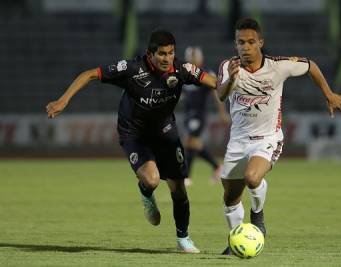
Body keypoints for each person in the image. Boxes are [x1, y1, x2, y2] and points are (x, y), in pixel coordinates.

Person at [46, 29, 218, 253]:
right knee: (153, 180)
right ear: (150, 54)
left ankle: (183, 239)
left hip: (165, 131)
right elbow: (89, 74)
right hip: (134, 134)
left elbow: (213, 82)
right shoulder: (132, 69)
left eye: (171, 53)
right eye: (162, 54)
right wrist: (63, 101)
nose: (167, 59)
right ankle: (146, 193)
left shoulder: (182, 69)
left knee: (178, 190)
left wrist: (234, 81)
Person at [216, 18, 341, 255]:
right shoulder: (227, 66)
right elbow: (220, 94)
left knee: (252, 177)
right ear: (235, 44)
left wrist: (329, 94)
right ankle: (236, 240)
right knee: (230, 198)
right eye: (241, 42)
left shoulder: (278, 66)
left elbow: (310, 65)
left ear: (260, 42)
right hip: (237, 141)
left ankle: (257, 217)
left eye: (250, 42)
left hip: (267, 138)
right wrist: (231, 78)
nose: (245, 47)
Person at [182, 46, 229, 186]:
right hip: (188, 113)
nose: (192, 59)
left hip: (199, 113)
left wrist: (222, 112)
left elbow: (216, 92)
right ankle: (216, 167)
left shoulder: (206, 73)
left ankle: (188, 176)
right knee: (191, 142)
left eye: (194, 57)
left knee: (190, 140)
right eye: (190, 57)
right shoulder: (184, 72)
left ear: (200, 58)